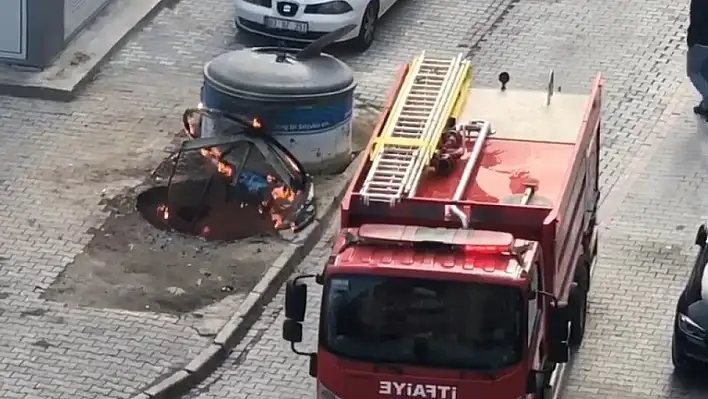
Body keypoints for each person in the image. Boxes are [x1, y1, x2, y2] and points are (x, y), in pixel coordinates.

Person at [687, 0, 708, 117]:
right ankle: (705, 106)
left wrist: (692, 40)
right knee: (705, 71)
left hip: (701, 41)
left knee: (693, 72)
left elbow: (697, 21)